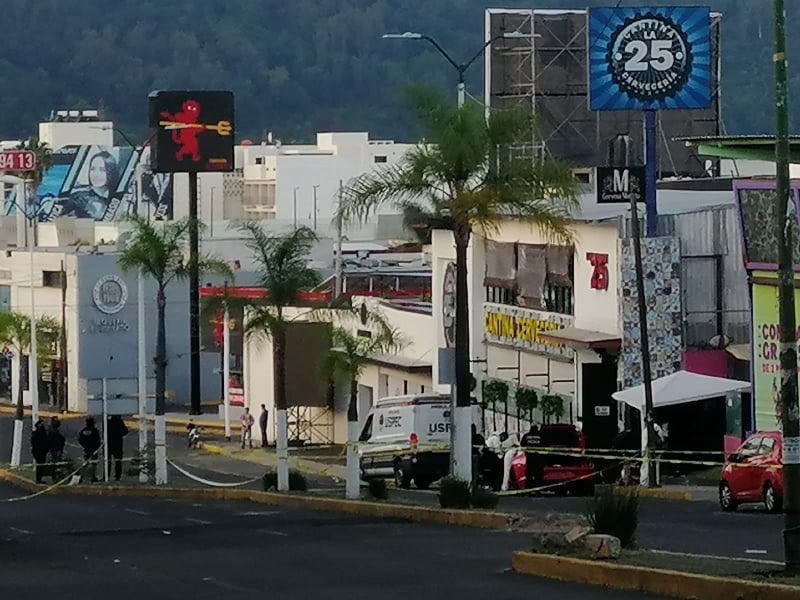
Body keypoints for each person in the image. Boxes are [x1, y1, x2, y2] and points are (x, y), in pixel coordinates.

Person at [59, 151, 121, 220]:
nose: (96, 174)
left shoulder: (118, 197)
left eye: (102, 170)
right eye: (92, 169)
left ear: (111, 171)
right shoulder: (78, 198)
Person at [78, 417, 102, 482]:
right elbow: (98, 440)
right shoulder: (94, 431)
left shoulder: (83, 431)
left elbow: (80, 439)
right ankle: (92, 476)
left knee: (85, 464)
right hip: (93, 449)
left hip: (86, 449)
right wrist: (97, 447)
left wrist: (84, 445)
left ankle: (81, 477)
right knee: (94, 464)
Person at [106, 415, 129, 481]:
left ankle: (106, 475)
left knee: (107, 461)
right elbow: (125, 431)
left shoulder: (108, 422)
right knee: (118, 461)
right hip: (118, 444)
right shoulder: (119, 422)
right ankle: (117, 476)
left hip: (109, 444)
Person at [31, 419, 49, 484]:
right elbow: (34, 444)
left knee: (41, 466)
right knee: (40, 466)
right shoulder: (37, 434)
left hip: (42, 452)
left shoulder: (42, 433)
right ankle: (38, 479)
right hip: (39, 452)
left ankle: (39, 479)